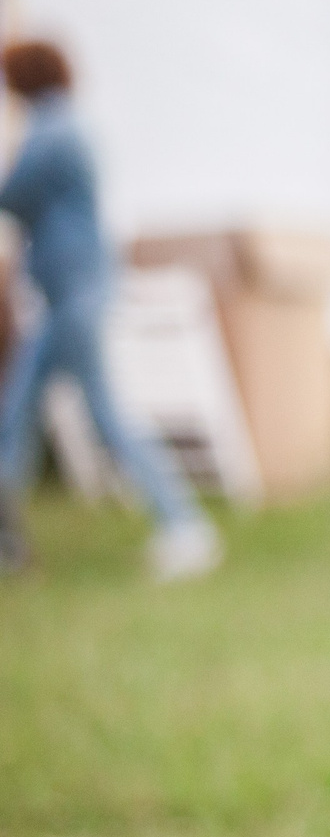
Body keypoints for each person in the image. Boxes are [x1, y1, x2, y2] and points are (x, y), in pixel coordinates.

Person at [0, 39, 222, 581]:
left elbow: (9, 194)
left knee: (88, 415)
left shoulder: (53, 133)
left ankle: (184, 525)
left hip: (74, 297)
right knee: (21, 409)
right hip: (69, 294)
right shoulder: (63, 126)